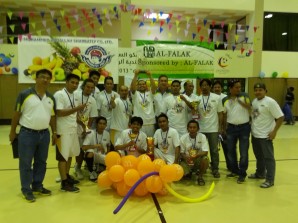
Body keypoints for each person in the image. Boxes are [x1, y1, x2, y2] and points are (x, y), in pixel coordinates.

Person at [9, 68, 57, 202]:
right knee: (25, 163)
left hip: (44, 135)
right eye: (42, 77)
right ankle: (26, 189)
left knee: (41, 162)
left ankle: (37, 185)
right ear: (36, 78)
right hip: (27, 134)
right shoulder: (25, 94)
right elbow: (16, 114)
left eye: (48, 78)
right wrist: (12, 132)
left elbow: (53, 117)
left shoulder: (51, 97)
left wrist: (54, 132)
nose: (45, 80)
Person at [54, 73, 87, 192]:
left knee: (69, 155)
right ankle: (64, 183)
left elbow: (72, 114)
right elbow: (59, 112)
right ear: (66, 82)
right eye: (72, 82)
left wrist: (82, 124)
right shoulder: (59, 94)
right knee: (63, 157)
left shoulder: (73, 95)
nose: (74, 85)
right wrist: (78, 108)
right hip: (62, 131)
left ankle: (67, 176)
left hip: (72, 130)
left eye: (77, 83)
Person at [249, 83, 284, 188]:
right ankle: (260, 173)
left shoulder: (270, 102)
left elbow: (281, 117)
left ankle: (270, 179)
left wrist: (274, 132)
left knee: (268, 158)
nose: (258, 92)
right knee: (259, 156)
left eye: (260, 90)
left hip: (265, 136)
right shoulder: (255, 101)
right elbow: (256, 116)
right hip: (255, 134)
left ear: (265, 91)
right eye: (256, 90)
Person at [223, 80, 251, 184]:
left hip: (244, 128)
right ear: (230, 88)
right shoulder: (225, 99)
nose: (239, 89)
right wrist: (223, 128)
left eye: (240, 87)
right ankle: (235, 171)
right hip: (231, 128)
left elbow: (250, 108)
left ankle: (242, 173)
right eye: (236, 87)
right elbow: (225, 114)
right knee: (230, 151)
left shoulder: (245, 96)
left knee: (243, 152)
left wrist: (241, 102)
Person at [197, 79, 223, 178]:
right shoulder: (197, 99)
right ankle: (201, 168)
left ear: (210, 86)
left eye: (207, 85)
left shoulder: (217, 98)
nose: (205, 87)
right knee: (201, 150)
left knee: (214, 150)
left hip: (213, 129)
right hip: (201, 129)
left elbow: (220, 113)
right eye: (203, 85)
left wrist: (220, 127)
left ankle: (215, 169)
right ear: (200, 87)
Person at [73, 79, 98, 180]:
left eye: (92, 88)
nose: (90, 89)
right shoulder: (76, 96)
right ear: (83, 86)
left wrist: (86, 129)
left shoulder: (92, 100)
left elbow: (92, 117)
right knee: (76, 150)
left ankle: (82, 167)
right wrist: (82, 126)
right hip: (74, 127)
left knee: (84, 149)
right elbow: (73, 113)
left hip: (85, 129)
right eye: (88, 87)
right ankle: (77, 168)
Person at [180, 120, 209, 186]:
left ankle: (200, 177)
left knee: (205, 159)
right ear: (187, 129)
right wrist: (186, 158)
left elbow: (205, 152)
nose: (192, 129)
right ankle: (189, 173)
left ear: (198, 129)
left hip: (197, 159)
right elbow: (181, 153)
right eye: (190, 127)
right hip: (187, 160)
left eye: (194, 127)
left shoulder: (202, 137)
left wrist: (196, 155)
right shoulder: (183, 138)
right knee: (183, 174)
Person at [82, 116, 111, 181]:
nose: (102, 126)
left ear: (106, 125)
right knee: (90, 152)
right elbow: (83, 147)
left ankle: (100, 167)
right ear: (96, 124)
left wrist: (108, 154)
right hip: (93, 155)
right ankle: (91, 171)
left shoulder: (107, 134)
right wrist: (95, 146)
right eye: (100, 123)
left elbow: (108, 145)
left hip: (102, 155)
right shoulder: (91, 133)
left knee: (112, 162)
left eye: (104, 124)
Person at [130, 70, 157, 137]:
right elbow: (132, 88)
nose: (142, 85)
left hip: (150, 122)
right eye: (140, 84)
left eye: (143, 84)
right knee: (139, 141)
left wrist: (150, 76)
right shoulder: (135, 94)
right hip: (138, 123)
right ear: (137, 86)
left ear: (146, 85)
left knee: (150, 141)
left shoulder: (150, 94)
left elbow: (154, 87)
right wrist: (135, 75)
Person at [212, 80, 231, 171]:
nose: (217, 89)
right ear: (212, 88)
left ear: (221, 88)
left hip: (224, 127)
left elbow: (226, 113)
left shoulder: (226, 98)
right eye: (215, 87)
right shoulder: (211, 97)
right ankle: (213, 165)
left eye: (218, 87)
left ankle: (230, 165)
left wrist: (224, 127)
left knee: (226, 147)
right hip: (213, 127)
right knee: (213, 148)